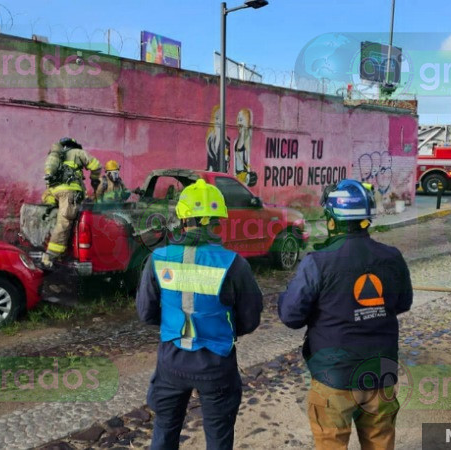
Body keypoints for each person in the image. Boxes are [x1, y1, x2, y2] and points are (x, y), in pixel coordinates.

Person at [277, 179, 413, 450]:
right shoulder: (392, 257)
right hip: (379, 375)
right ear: (366, 219)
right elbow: (403, 303)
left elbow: (291, 316)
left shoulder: (317, 263)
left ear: (331, 220)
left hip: (333, 379)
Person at [136, 179, 264, 449]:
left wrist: (176, 324)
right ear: (216, 222)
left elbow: (146, 313)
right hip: (216, 365)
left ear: (183, 220)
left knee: (164, 433)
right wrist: (221, 329)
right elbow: (250, 319)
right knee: (218, 439)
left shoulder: (157, 259)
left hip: (171, 362)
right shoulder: (234, 264)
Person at [41, 137, 101, 268]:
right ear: (74, 145)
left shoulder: (58, 156)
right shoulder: (78, 153)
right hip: (68, 192)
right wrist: (94, 179)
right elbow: (96, 165)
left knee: (56, 217)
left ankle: (52, 246)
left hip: (53, 191)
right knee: (65, 221)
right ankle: (50, 256)